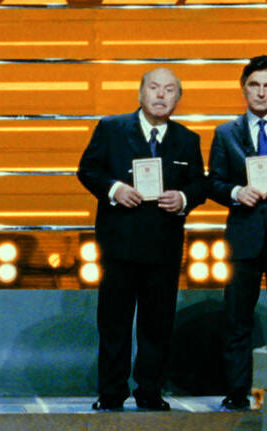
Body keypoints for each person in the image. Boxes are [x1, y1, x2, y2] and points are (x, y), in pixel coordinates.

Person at [77, 68, 206, 412]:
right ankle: (111, 392)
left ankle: (149, 391)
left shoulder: (187, 139)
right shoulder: (111, 128)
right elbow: (88, 170)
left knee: (157, 324)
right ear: (140, 93)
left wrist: (183, 198)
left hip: (163, 246)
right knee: (114, 323)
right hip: (119, 243)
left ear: (178, 99)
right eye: (154, 88)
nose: (161, 95)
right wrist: (114, 189)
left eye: (169, 90)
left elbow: (199, 184)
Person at [208, 55, 267, 411]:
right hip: (245, 235)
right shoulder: (226, 133)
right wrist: (235, 192)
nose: (261, 92)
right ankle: (237, 391)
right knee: (237, 318)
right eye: (254, 85)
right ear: (243, 89)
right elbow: (213, 182)